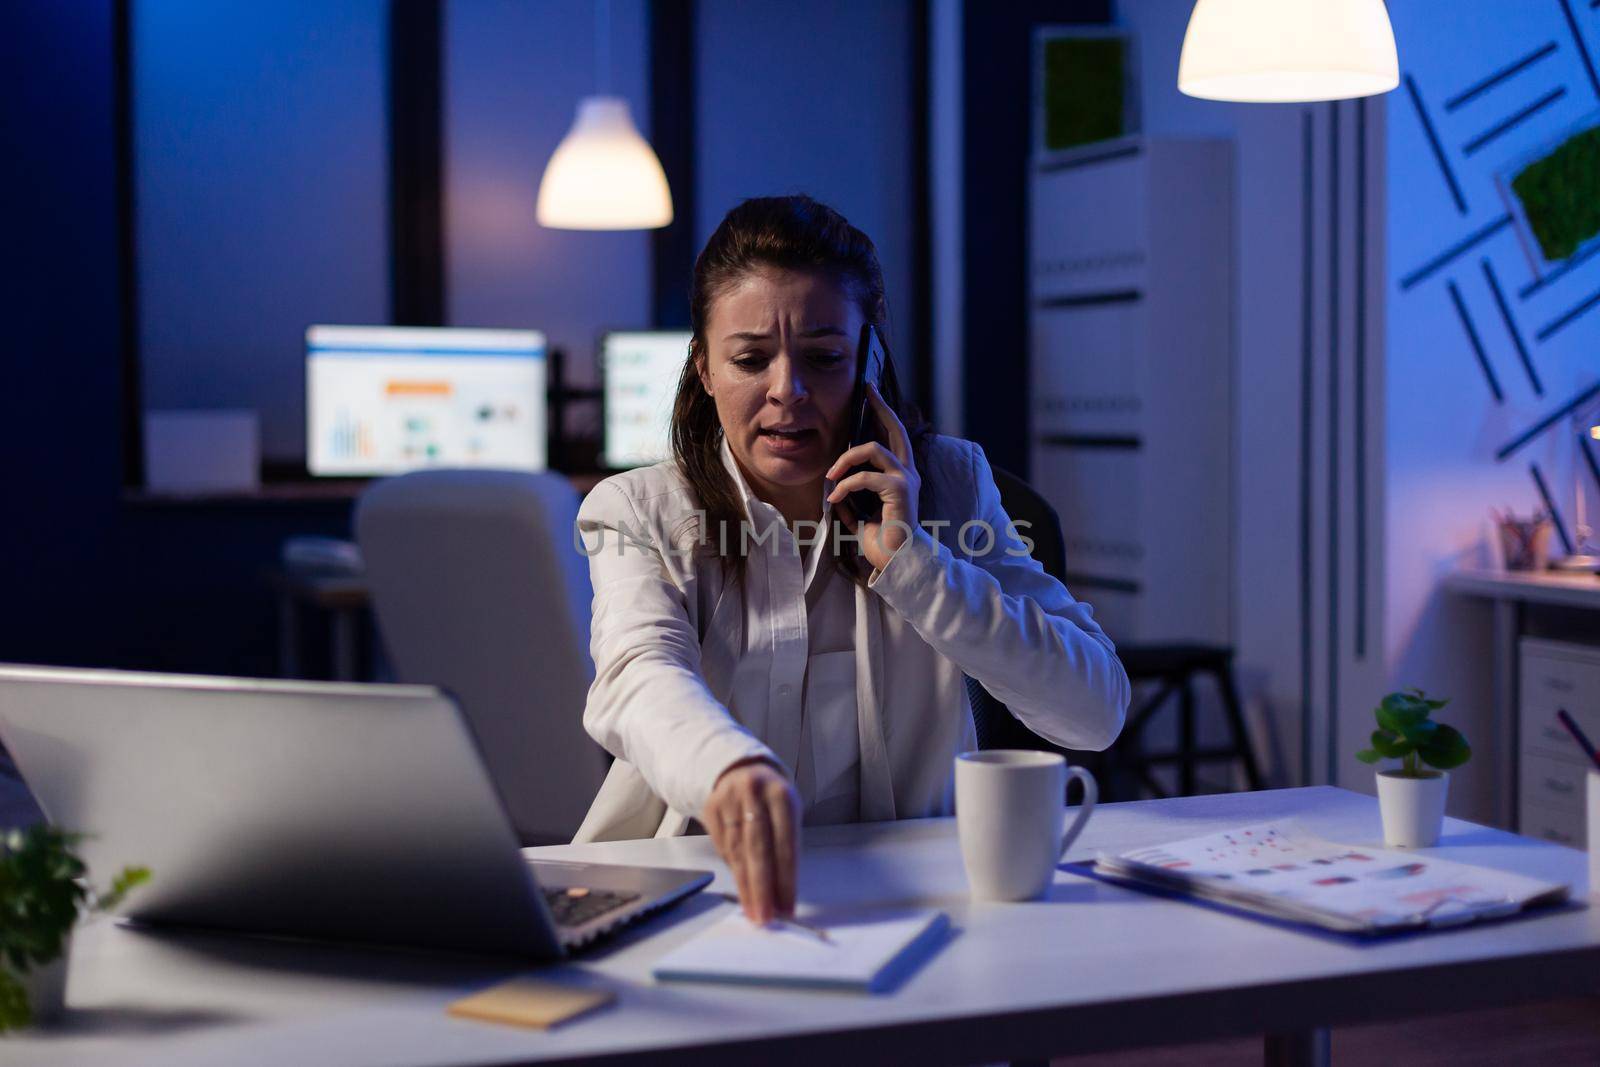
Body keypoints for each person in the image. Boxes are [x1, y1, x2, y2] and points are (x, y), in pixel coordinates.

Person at [571, 195, 1130, 924]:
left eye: (824, 357)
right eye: (749, 359)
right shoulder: (637, 510)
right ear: (704, 367)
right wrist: (728, 769)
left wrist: (917, 565)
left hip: (920, 897)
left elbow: (1096, 712)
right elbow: (639, 673)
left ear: (868, 357)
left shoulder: (952, 485)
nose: (787, 392)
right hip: (695, 892)